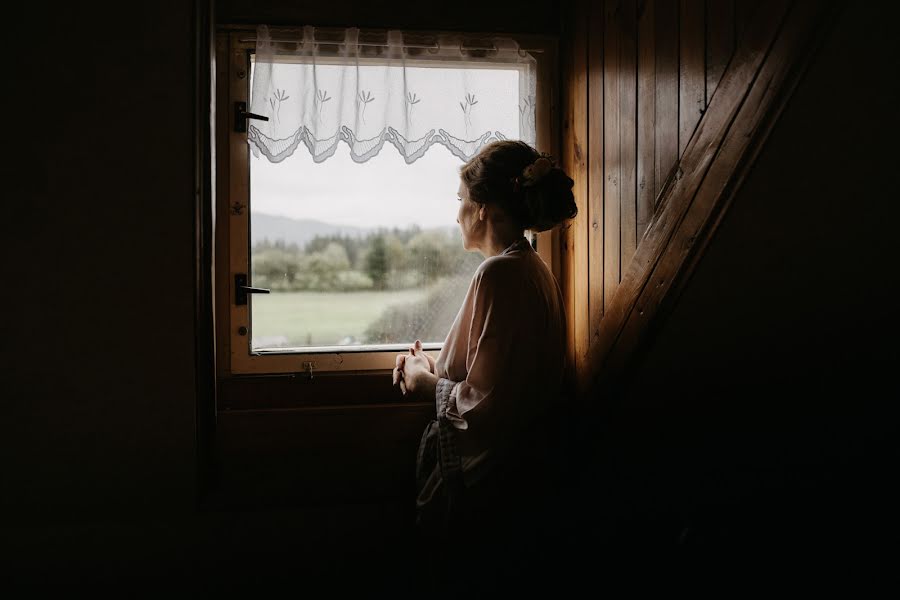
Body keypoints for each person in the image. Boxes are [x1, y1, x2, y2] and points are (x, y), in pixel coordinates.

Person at [392, 141, 578, 580]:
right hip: (522, 481)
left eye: (460, 200)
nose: (456, 212)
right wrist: (430, 369)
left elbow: (486, 407)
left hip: (493, 491)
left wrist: (423, 384)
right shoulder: (531, 270)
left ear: (481, 209)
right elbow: (493, 374)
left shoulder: (500, 274)